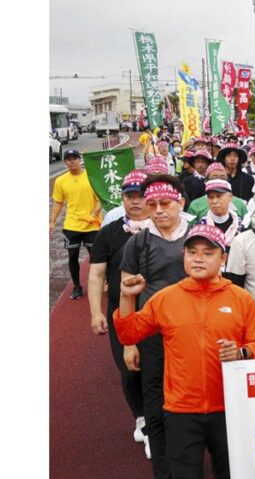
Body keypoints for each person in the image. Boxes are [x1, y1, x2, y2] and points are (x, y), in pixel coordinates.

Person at [114, 223, 255, 479]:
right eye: (192, 252)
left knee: (226, 477)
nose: (198, 259)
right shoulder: (166, 298)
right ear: (183, 255)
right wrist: (126, 295)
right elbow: (129, 331)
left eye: (208, 252)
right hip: (180, 410)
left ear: (223, 258)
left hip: (228, 409)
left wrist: (241, 352)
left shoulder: (239, 299)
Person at [120, 175, 194, 479]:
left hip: (194, 335)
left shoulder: (198, 235)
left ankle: (195, 469)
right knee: (155, 406)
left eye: (166, 203)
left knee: (196, 405)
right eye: (153, 205)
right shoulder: (138, 243)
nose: (160, 211)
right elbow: (126, 292)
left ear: (180, 201)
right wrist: (128, 343)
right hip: (152, 337)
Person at [88, 170, 149, 452]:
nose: (135, 202)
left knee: (159, 368)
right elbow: (97, 275)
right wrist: (95, 313)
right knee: (129, 368)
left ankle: (157, 423)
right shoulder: (108, 234)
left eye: (140, 196)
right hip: (121, 314)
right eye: (129, 196)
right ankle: (140, 417)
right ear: (122, 199)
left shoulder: (162, 231)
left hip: (157, 313)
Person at [50, 148, 102, 300]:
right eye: (69, 158)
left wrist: (93, 214)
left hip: (92, 224)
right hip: (72, 225)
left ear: (80, 159)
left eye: (75, 157)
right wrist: (52, 222)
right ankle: (77, 286)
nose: (72, 161)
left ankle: (98, 283)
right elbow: (58, 203)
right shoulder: (61, 181)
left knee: (96, 257)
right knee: (72, 256)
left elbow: (100, 198)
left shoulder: (91, 176)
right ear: (65, 161)